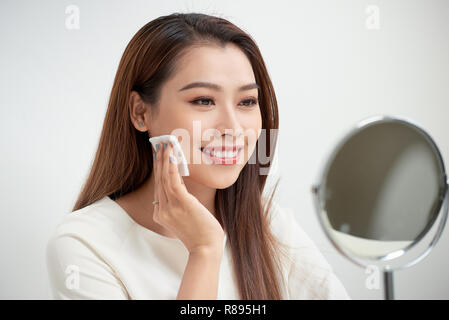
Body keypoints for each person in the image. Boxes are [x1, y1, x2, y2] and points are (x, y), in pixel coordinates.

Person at [46, 12, 350, 300]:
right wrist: (204, 250)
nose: (233, 127)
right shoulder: (85, 244)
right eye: (204, 100)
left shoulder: (269, 224)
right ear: (141, 112)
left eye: (246, 101)